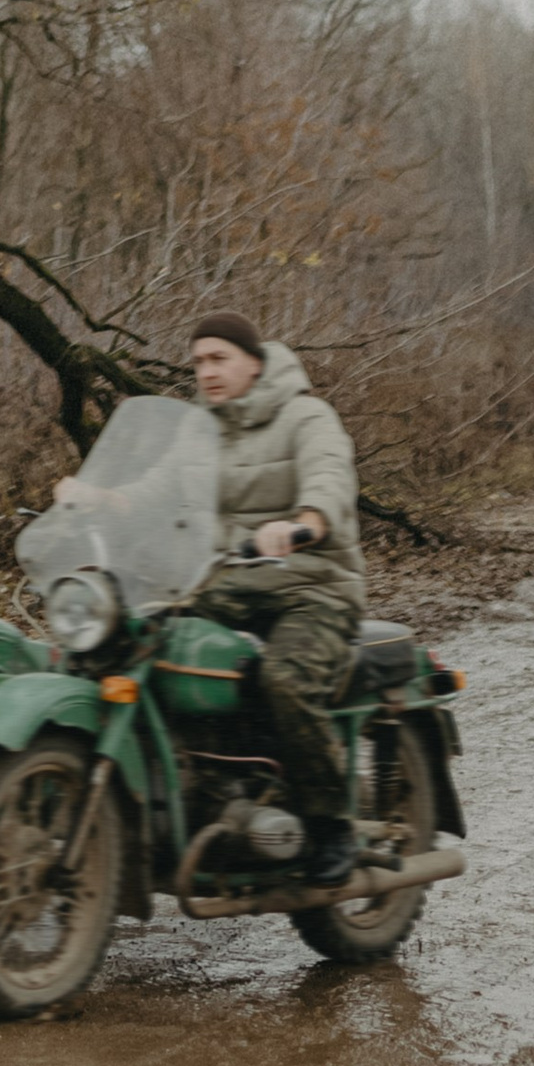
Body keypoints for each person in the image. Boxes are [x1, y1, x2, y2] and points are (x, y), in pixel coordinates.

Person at [182, 308, 367, 887]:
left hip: (313, 585)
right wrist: (97, 497)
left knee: (285, 680)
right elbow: (154, 488)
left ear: (254, 364)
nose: (207, 372)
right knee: (137, 646)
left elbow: (330, 478)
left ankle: (332, 824)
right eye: (198, 362)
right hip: (230, 584)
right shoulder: (198, 429)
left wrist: (304, 522)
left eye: (220, 358)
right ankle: (197, 790)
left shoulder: (306, 415)